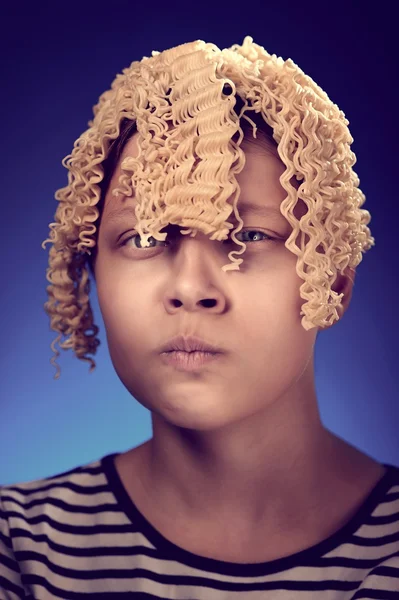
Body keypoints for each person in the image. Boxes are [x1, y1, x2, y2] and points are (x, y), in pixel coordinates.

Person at [1, 36, 398, 598]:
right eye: (144, 237)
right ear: (91, 272)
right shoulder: (20, 549)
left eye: (250, 236)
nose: (190, 288)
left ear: (331, 278)